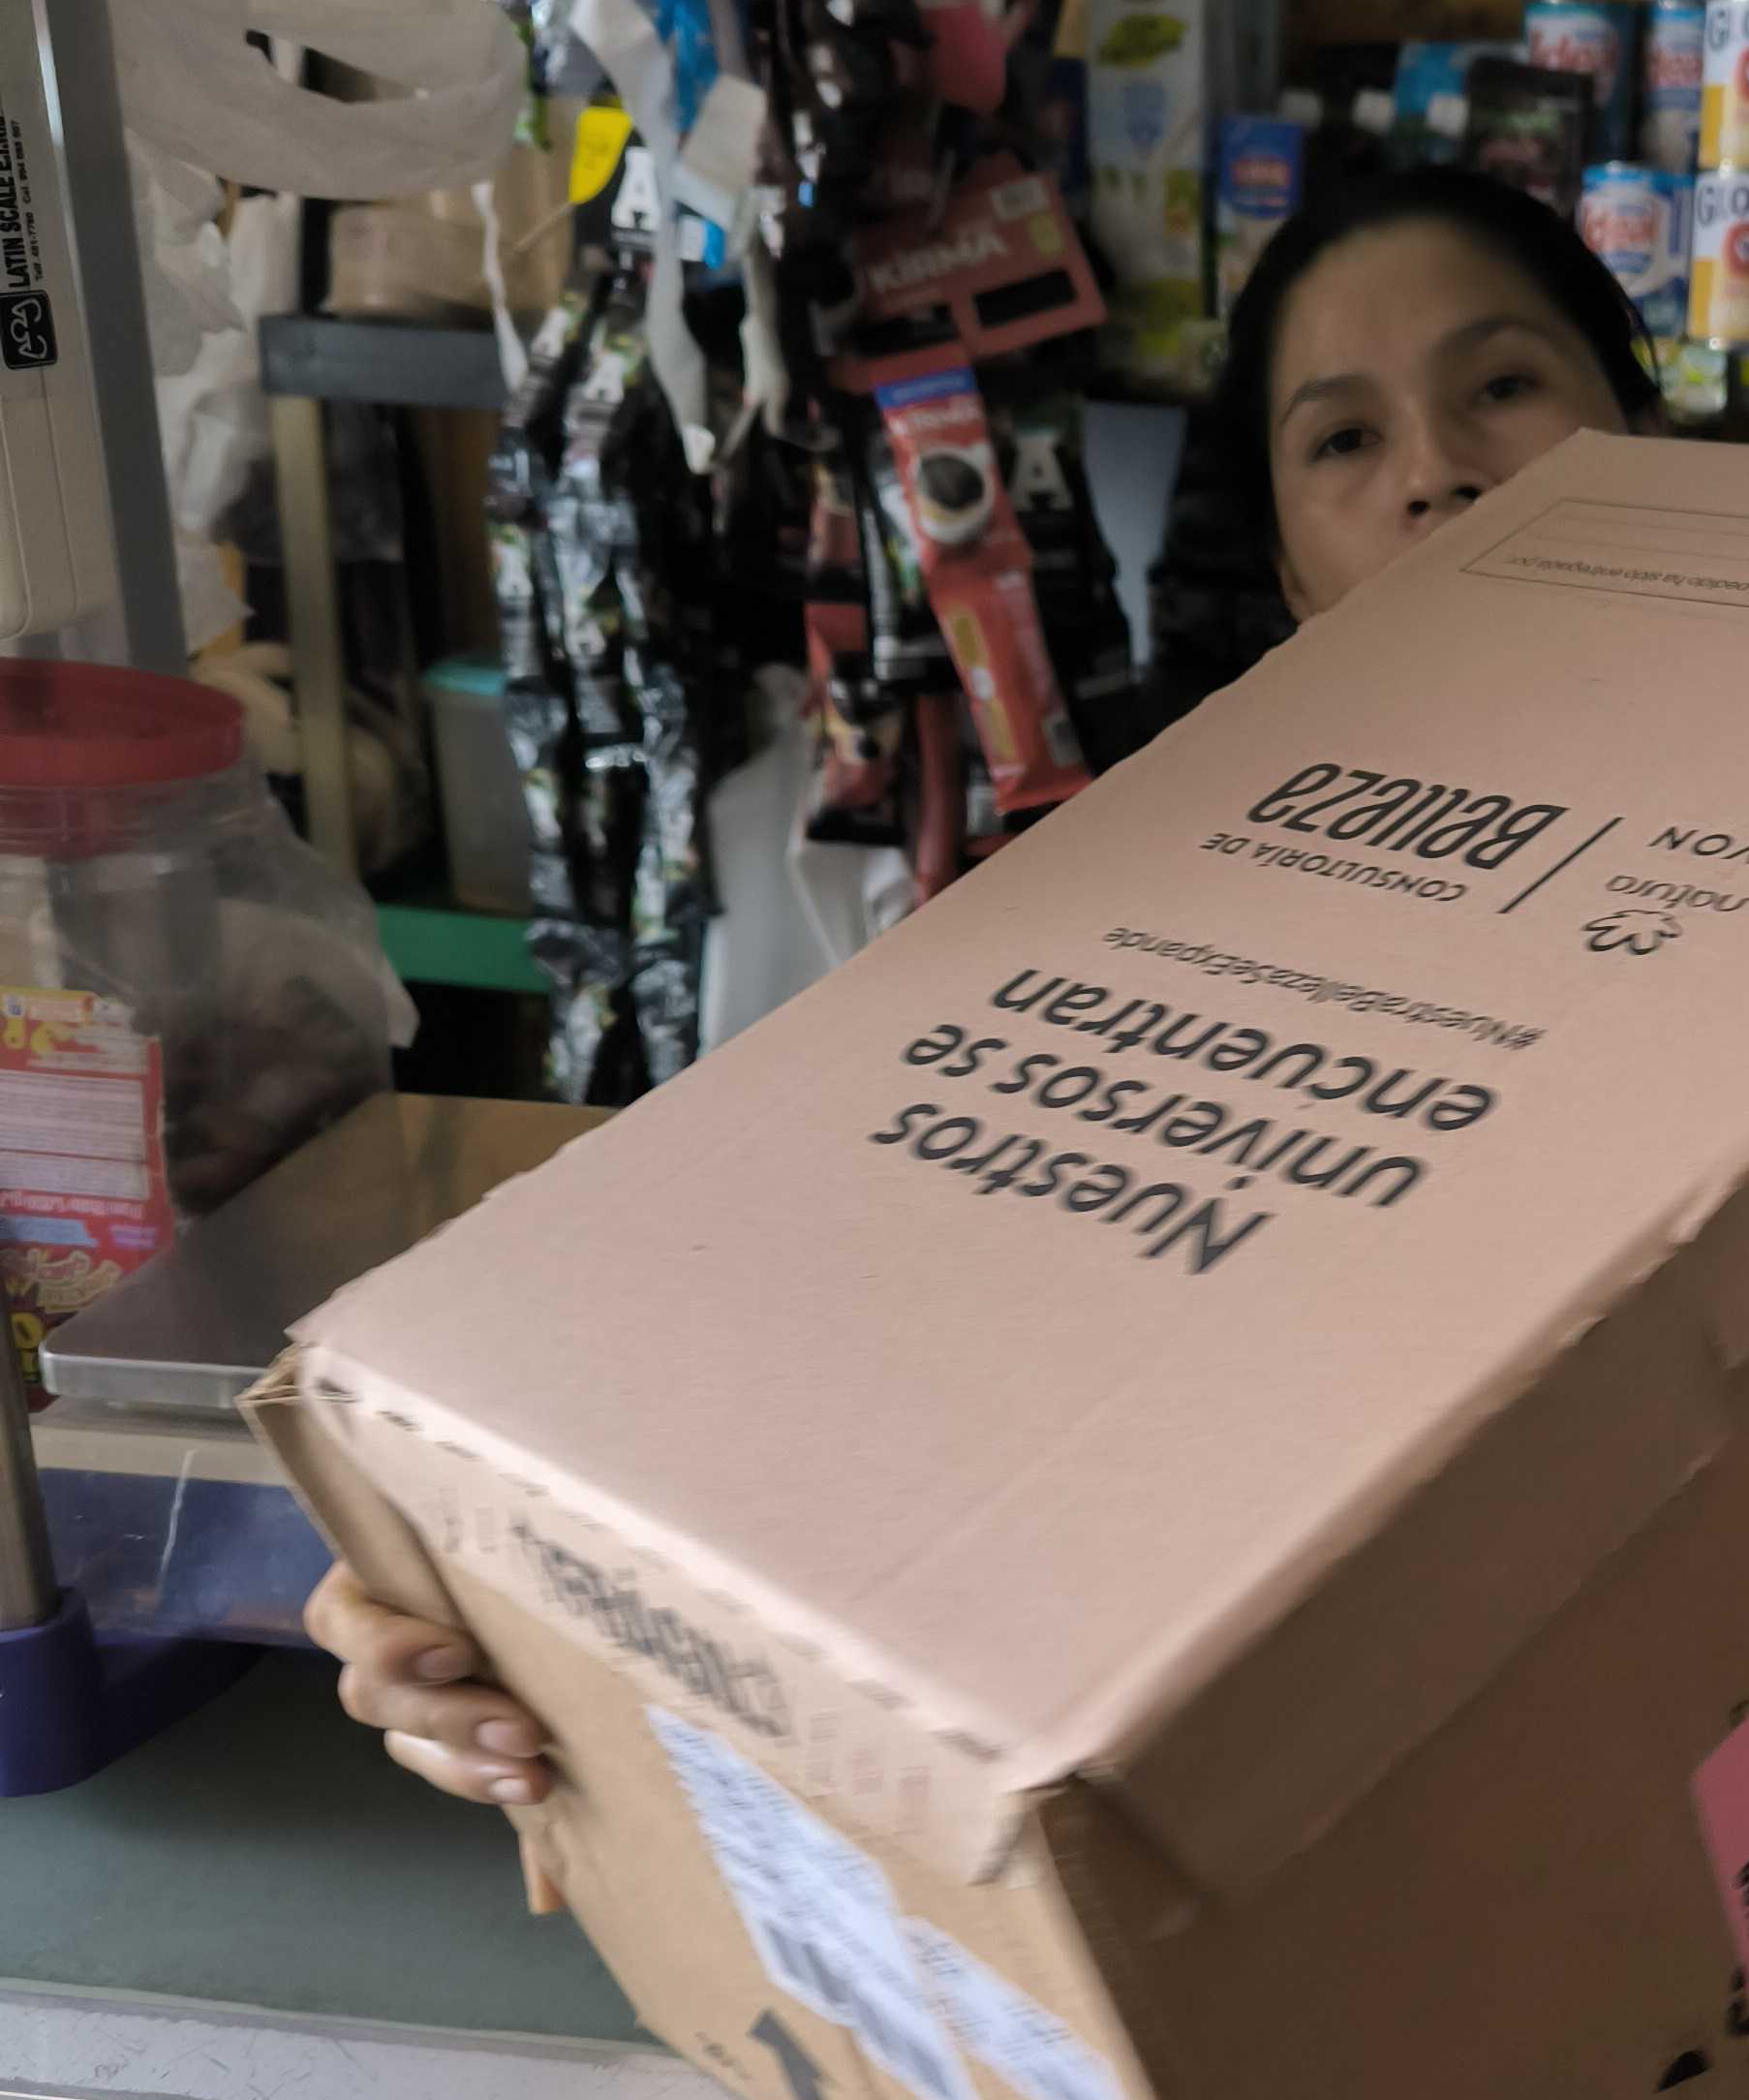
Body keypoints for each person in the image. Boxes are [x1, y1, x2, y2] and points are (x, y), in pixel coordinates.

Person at [306, 167, 1664, 1816]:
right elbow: (866, 1323)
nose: (1438, 472)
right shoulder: (1141, 926)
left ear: (1646, 434)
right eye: (1344, 440)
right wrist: (477, 1542)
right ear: (1291, 564)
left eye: (1503, 386)